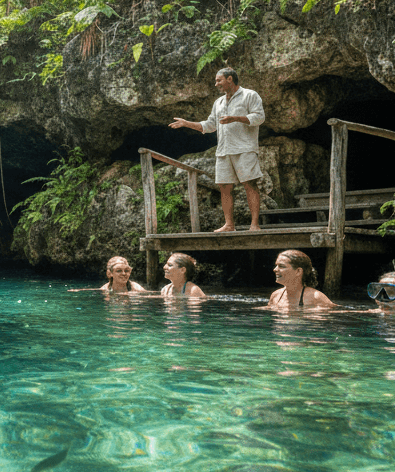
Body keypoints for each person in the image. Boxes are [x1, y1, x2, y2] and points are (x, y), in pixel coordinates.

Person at [169, 67, 266, 231]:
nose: (216, 84)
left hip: (244, 148)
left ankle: (254, 225)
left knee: (249, 184)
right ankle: (229, 225)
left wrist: (235, 118)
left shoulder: (250, 95)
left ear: (230, 79)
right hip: (223, 150)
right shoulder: (218, 102)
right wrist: (186, 123)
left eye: (218, 80)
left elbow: (259, 117)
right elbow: (210, 125)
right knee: (224, 186)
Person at [266, 249, 334, 308]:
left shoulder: (316, 297)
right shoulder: (275, 296)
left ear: (298, 271)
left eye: (281, 266)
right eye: (276, 265)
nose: (275, 269)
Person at [70, 256, 146, 292]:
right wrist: (80, 290)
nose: (123, 273)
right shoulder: (105, 289)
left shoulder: (136, 288)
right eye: (119, 271)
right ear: (110, 273)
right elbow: (95, 290)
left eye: (126, 271)